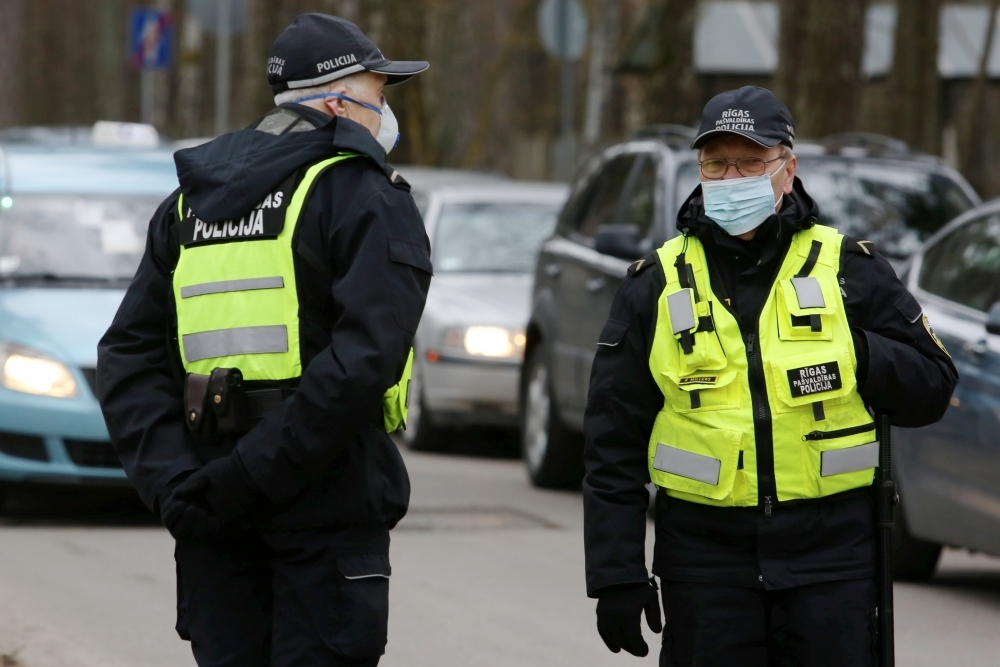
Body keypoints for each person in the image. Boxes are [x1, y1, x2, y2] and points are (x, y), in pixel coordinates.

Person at [96, 14, 431, 667]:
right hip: (322, 512)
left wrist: (176, 484)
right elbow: (365, 361)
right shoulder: (362, 196)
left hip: (211, 513)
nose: (385, 113)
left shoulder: (190, 204)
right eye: (379, 93)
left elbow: (127, 356)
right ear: (338, 102)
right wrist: (246, 477)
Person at [583, 86, 958, 666]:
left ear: (788, 167)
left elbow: (933, 387)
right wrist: (615, 574)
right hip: (705, 567)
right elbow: (612, 443)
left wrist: (856, 352)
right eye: (717, 163)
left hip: (832, 565)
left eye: (752, 162)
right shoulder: (657, 284)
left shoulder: (850, 271)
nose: (733, 178)